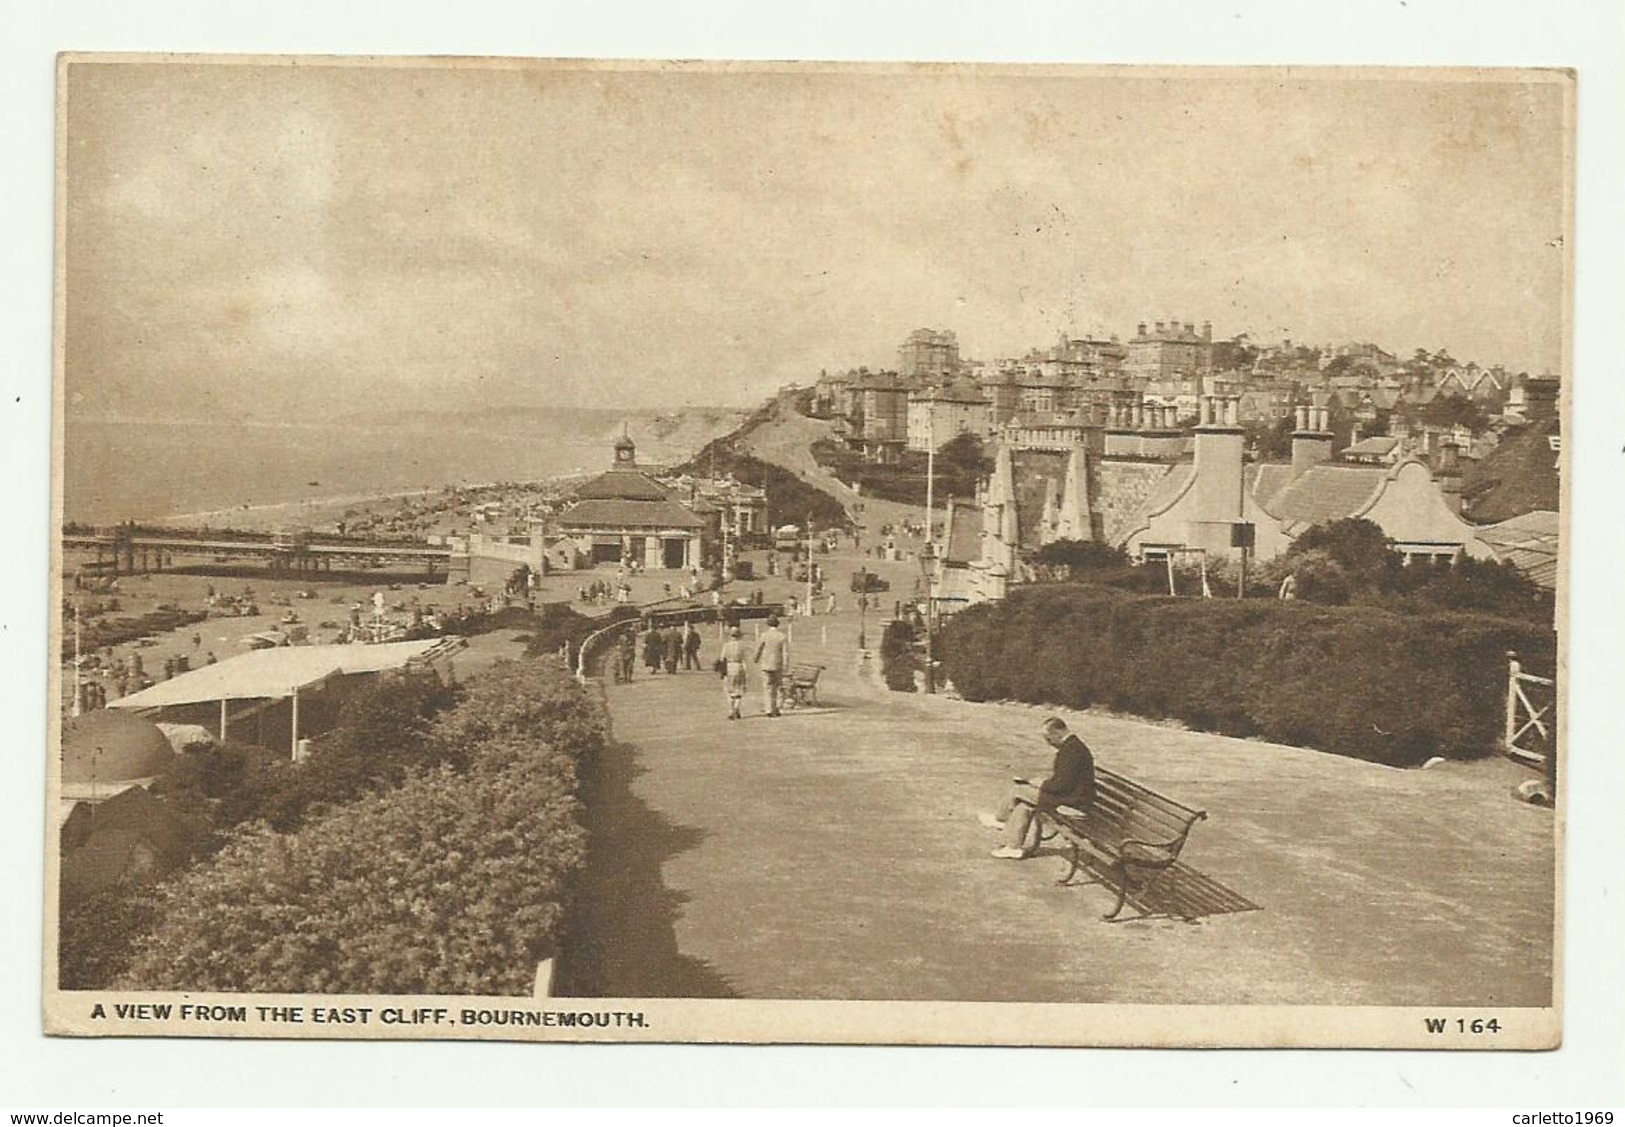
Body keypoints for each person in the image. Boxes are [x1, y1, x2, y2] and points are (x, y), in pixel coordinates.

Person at [980, 717, 1097, 859]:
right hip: (1071, 795)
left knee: (1019, 789)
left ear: (1058, 733)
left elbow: (1061, 785)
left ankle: (1000, 819)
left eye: (1049, 739)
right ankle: (1012, 847)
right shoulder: (1072, 747)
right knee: (1024, 806)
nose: (1049, 743)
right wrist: (1039, 782)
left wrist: (1037, 783)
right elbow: (1063, 781)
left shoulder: (1072, 751)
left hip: (1073, 801)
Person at [753, 614, 789, 717]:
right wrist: (786, 665)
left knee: (768, 687)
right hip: (777, 664)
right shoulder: (782, 636)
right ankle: (777, 707)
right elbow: (785, 653)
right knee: (778, 687)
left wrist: (756, 658)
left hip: (766, 664)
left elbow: (758, 648)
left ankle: (769, 709)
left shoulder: (764, 635)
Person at [719, 625, 747, 719]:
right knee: (739, 689)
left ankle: (731, 710)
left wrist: (722, 672)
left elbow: (722, 658)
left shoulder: (726, 645)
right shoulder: (742, 646)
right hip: (739, 666)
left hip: (729, 666)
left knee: (729, 689)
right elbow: (744, 660)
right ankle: (737, 708)